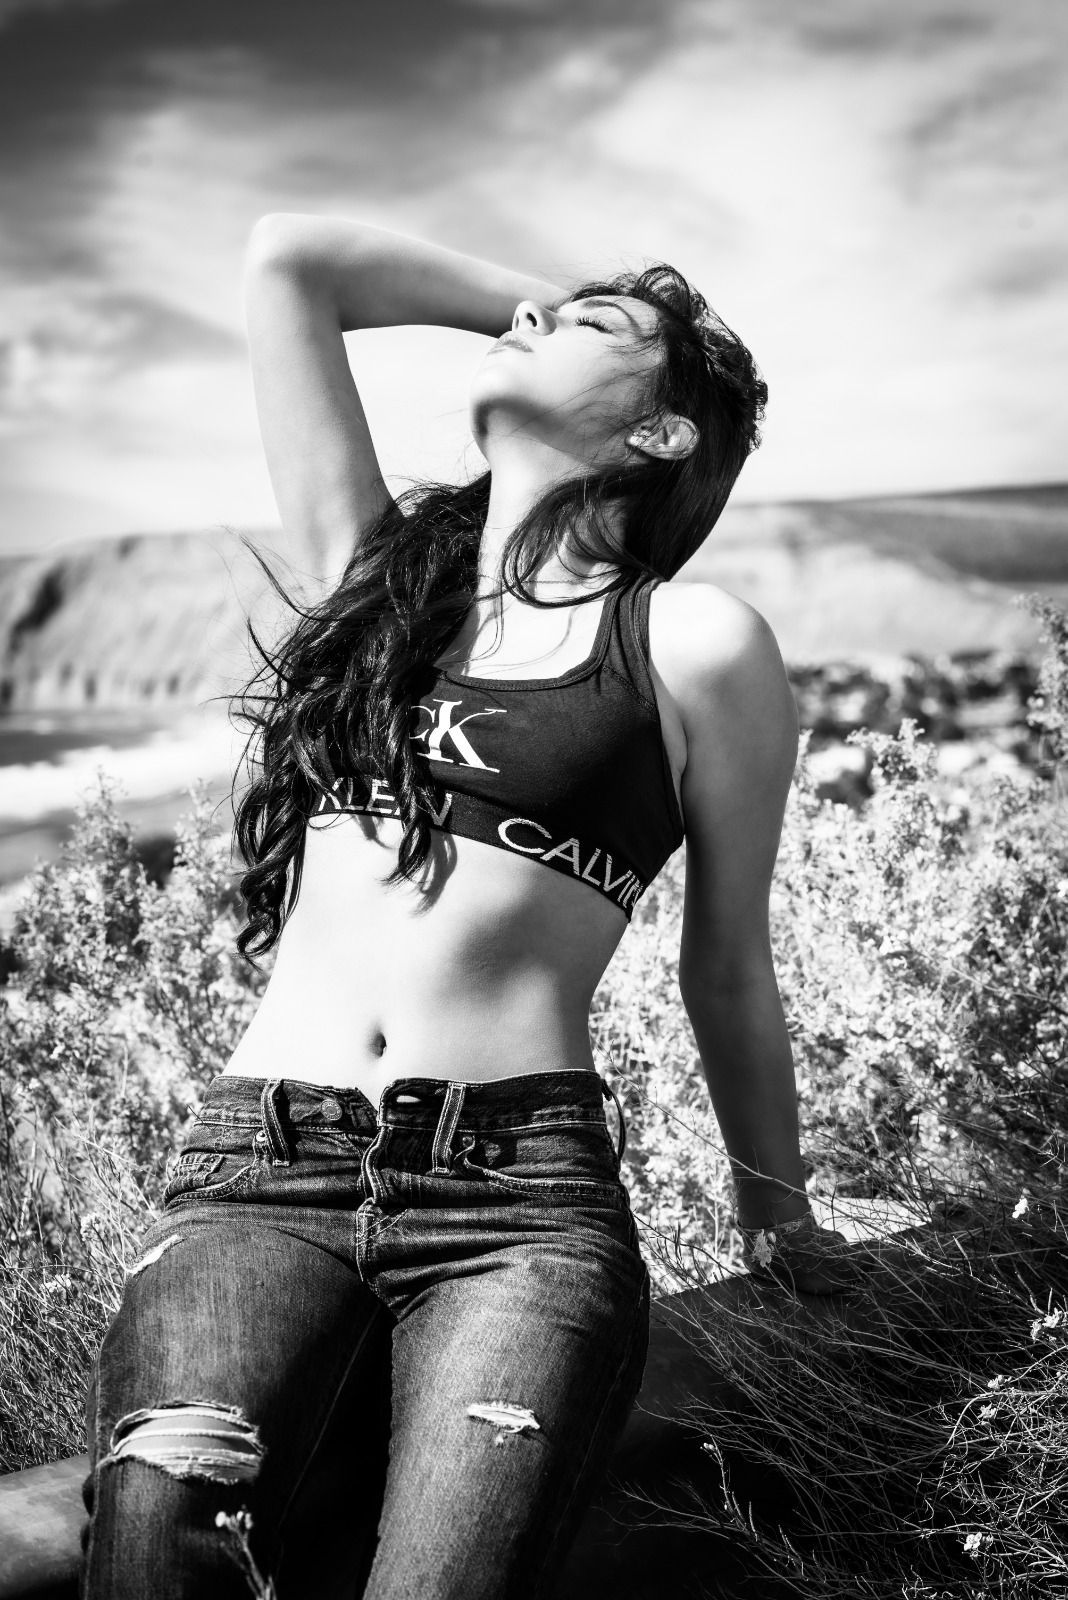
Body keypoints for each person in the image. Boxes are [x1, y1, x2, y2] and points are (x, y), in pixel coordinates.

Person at [80, 215, 851, 1599]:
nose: (532, 328)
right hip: (264, 1170)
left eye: (594, 332)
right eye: (536, 319)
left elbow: (728, 966)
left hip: (518, 1207)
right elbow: (290, 260)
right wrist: (550, 311)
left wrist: (777, 1218)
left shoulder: (692, 642)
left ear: (663, 432)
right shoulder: (372, 584)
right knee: (156, 1538)